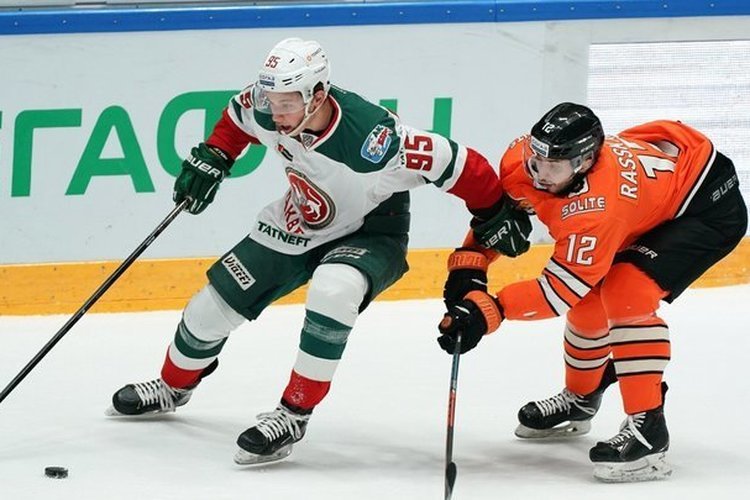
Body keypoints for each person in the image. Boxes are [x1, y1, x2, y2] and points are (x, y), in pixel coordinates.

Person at [106, 37, 513, 466]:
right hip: (300, 217)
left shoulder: (372, 138)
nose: (275, 114)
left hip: (371, 229)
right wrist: (216, 154)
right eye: (271, 101)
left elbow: (456, 162)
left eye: (287, 104)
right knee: (207, 311)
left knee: (333, 289)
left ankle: (293, 414)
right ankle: (173, 387)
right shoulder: (267, 105)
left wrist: (494, 211)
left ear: (317, 95)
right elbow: (237, 119)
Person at [437, 102, 747, 482]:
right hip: (656, 188)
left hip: (704, 206)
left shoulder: (597, 211)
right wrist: (471, 263)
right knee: (587, 305)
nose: (540, 175)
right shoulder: (523, 161)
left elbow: (558, 291)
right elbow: (503, 218)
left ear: (583, 162)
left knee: (626, 292)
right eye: (537, 161)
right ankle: (580, 399)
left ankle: (649, 431)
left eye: (553, 167)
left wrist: (490, 312)